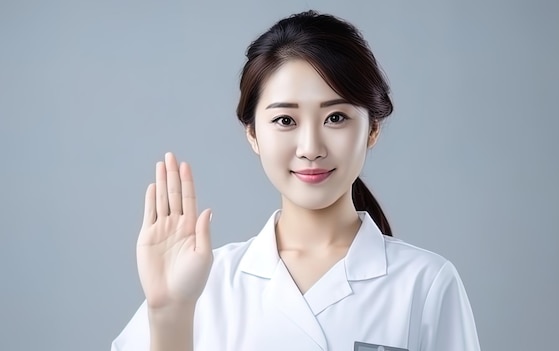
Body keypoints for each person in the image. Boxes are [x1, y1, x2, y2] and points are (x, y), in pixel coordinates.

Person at [111, 10, 480, 351]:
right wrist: (168, 313)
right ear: (253, 134)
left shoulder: (425, 284)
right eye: (285, 120)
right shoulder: (203, 283)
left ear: (373, 129)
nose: (311, 147)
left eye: (336, 118)